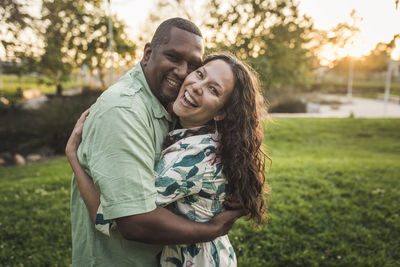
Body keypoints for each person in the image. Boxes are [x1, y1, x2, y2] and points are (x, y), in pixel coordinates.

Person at [68, 18, 244, 267]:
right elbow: (133, 221)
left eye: (193, 65)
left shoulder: (176, 114)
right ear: (148, 53)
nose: (184, 73)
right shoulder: (124, 110)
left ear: (222, 110)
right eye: (173, 57)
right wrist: (214, 228)